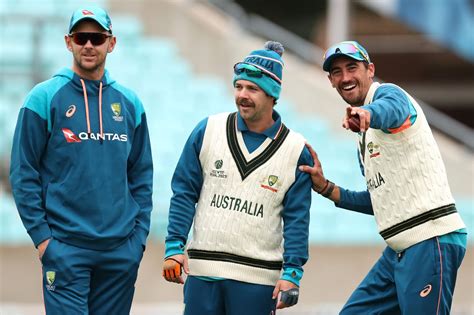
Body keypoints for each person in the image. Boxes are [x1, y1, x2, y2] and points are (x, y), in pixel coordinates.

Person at [300, 40, 467, 314]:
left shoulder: (389, 95)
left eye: (352, 67)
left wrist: (368, 113)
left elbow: (392, 110)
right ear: (330, 81)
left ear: (370, 70)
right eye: (337, 72)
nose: (345, 77)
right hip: (399, 248)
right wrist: (327, 188)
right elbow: (380, 198)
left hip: (429, 239)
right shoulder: (363, 136)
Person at [9, 6, 153, 314]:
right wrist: (43, 240)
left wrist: (138, 241)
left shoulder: (130, 103)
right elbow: (23, 173)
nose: (89, 45)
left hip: (120, 252)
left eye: (97, 38)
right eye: (81, 37)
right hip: (65, 248)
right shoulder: (43, 97)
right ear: (68, 42)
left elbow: (141, 175)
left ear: (111, 43)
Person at [162, 41, 312, 314]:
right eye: (239, 86)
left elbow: (297, 219)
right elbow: (184, 192)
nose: (242, 95)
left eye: (252, 89)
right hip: (203, 274)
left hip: (258, 280)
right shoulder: (207, 130)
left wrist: (292, 273)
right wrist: (174, 246)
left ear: (272, 95)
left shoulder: (296, 150)